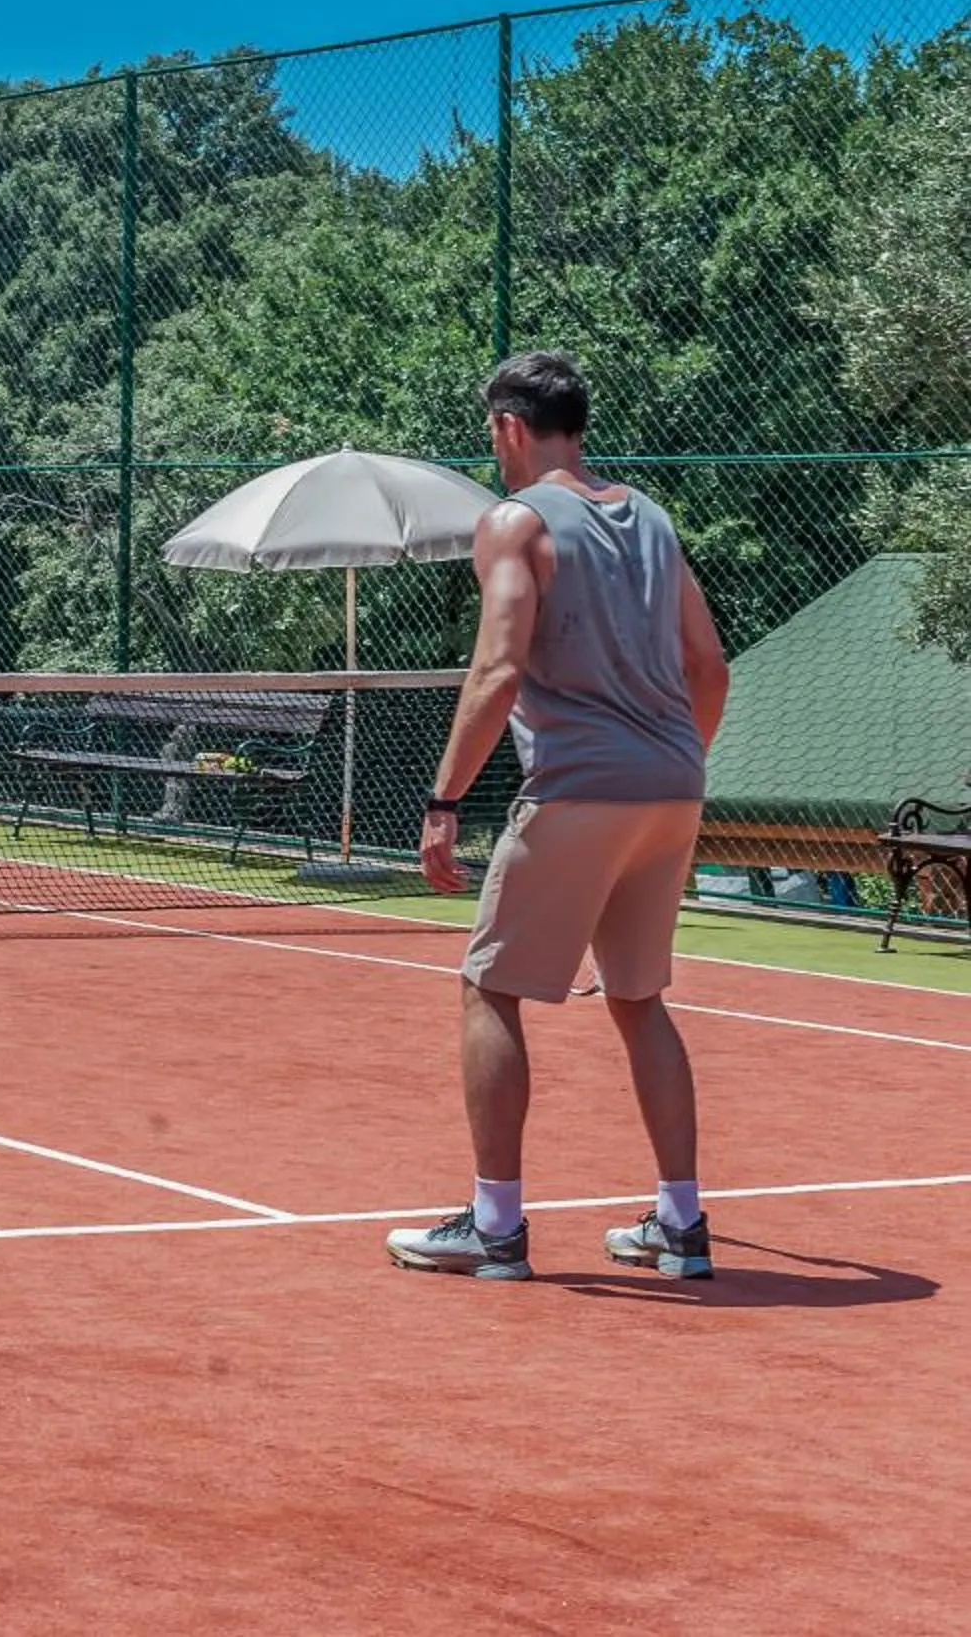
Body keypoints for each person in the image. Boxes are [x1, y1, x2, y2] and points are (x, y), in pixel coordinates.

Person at [385, 353, 731, 1283]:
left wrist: (445, 801)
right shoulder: (652, 519)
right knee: (639, 999)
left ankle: (495, 1229)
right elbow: (709, 667)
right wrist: (673, 767)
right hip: (672, 785)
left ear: (508, 426)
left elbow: (498, 668)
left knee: (489, 988)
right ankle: (682, 1226)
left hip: (579, 786)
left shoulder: (514, 521)